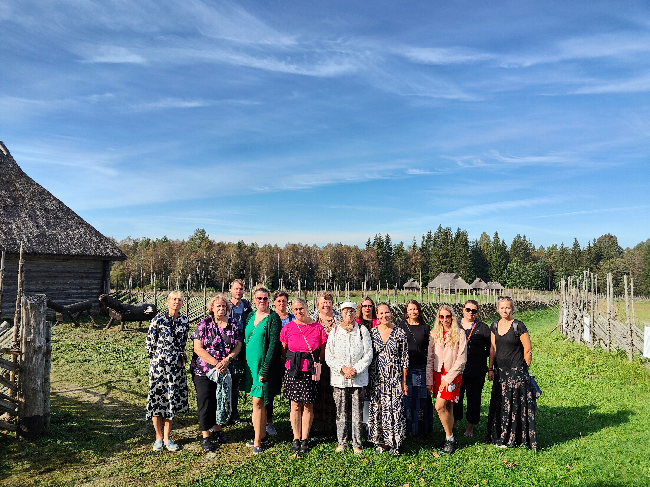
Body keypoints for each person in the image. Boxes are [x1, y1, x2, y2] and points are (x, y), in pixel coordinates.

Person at [190, 294, 242, 452]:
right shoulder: (204, 324)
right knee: (206, 400)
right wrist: (216, 363)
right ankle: (206, 435)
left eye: (224, 306)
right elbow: (197, 348)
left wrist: (228, 359)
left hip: (224, 368)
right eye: (218, 306)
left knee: (221, 398)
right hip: (204, 370)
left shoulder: (232, 324)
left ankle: (217, 429)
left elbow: (238, 344)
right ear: (212, 308)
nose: (221, 308)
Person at [485, 296, 537, 450]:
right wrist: (490, 368)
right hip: (500, 372)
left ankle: (512, 438)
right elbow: (492, 348)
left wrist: (523, 371)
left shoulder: (518, 326)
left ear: (512, 309)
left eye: (508, 307)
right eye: (502, 308)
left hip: (516, 371)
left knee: (514, 406)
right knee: (500, 403)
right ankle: (499, 435)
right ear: (497, 309)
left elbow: (528, 350)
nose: (505, 310)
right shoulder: (494, 325)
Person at [280, 297, 327, 453]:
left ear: (307, 308)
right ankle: (296, 437)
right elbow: (284, 349)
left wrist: (317, 363)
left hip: (310, 370)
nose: (299, 311)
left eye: (301, 308)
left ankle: (305, 438)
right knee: (295, 404)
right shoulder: (288, 327)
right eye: (295, 309)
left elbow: (322, 348)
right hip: (293, 369)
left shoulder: (317, 327)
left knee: (308, 404)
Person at [325, 301, 373, 454]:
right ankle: (342, 442)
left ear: (355, 313)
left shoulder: (362, 330)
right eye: (345, 311)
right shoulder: (335, 331)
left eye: (351, 311)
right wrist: (343, 369)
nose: (348, 314)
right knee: (341, 411)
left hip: (358, 378)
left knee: (357, 411)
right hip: (339, 378)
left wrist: (355, 369)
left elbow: (368, 354)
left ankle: (357, 443)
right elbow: (329, 355)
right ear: (341, 314)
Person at [146, 291, 189, 452]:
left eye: (180, 300)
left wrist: (180, 356)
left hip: (175, 367)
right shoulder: (158, 319)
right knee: (157, 400)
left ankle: (167, 437)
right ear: (168, 302)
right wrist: (159, 358)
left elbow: (183, 343)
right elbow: (149, 344)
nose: (177, 302)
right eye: (174, 299)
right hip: (159, 367)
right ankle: (158, 437)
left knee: (171, 399)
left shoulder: (184, 320)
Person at [244, 285, 282, 455]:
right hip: (250, 365)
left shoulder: (273, 318)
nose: (262, 301)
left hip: (262, 366)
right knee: (257, 402)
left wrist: (265, 370)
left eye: (265, 298)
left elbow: (273, 346)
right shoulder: (250, 315)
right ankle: (262, 435)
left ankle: (257, 441)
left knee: (258, 402)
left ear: (269, 300)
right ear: (254, 299)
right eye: (259, 298)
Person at [367, 303, 408, 455]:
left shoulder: (400, 333)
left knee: (394, 410)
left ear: (391, 313)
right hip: (377, 379)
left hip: (394, 379)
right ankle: (381, 442)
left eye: (387, 312)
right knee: (378, 410)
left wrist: (404, 381)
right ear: (377, 316)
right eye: (381, 313)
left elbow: (404, 359)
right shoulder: (372, 333)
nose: (385, 316)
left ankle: (394, 443)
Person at [426, 304, 467, 454]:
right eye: (441, 317)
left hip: (452, 374)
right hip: (438, 373)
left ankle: (449, 438)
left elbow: (461, 360)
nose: (445, 319)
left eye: (447, 316)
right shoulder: (435, 333)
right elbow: (430, 358)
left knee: (439, 406)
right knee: (448, 406)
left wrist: (448, 379)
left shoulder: (459, 333)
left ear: (452, 317)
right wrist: (429, 380)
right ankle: (449, 436)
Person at [453, 300, 490, 438]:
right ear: (463, 309)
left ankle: (470, 427)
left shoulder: (483, 328)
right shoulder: (455, 325)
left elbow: (490, 348)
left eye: (474, 311)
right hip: (458, 369)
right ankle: (454, 422)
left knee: (474, 398)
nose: (471, 313)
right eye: (468, 310)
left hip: (476, 369)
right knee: (456, 396)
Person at [396, 299, 433, 437]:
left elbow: (429, 349)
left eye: (415, 309)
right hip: (405, 369)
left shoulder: (425, 327)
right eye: (410, 309)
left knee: (419, 399)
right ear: (406, 311)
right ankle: (407, 428)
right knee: (406, 398)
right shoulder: (401, 326)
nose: (413, 311)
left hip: (419, 369)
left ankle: (419, 428)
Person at [263, 290, 294, 437]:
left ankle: (293, 422)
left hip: (290, 360)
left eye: (284, 301)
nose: (282, 303)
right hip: (273, 360)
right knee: (269, 391)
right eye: (279, 301)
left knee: (293, 392)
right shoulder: (269, 318)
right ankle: (269, 422)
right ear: (274, 302)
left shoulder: (292, 319)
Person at [311, 292, 341, 435]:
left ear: (332, 304)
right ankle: (320, 424)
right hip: (318, 361)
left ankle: (336, 425)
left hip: (335, 362)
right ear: (318, 304)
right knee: (318, 392)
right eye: (323, 302)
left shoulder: (339, 320)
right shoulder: (313, 320)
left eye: (328, 302)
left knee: (335, 393)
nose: (325, 305)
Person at [227, 279, 253, 425]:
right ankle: (222, 415)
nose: (238, 291)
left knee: (236, 381)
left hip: (242, 347)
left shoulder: (246, 306)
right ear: (230, 290)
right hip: (226, 347)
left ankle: (234, 414)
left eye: (241, 289)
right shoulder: (225, 305)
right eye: (236, 288)